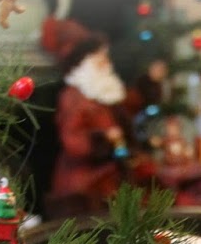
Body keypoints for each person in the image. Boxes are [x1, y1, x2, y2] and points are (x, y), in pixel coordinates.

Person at [41, 18, 147, 216]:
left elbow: (129, 105)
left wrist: (148, 85)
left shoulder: (105, 93)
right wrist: (102, 139)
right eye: (100, 58)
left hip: (111, 170)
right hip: (87, 178)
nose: (106, 63)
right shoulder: (74, 97)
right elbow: (72, 140)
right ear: (84, 63)